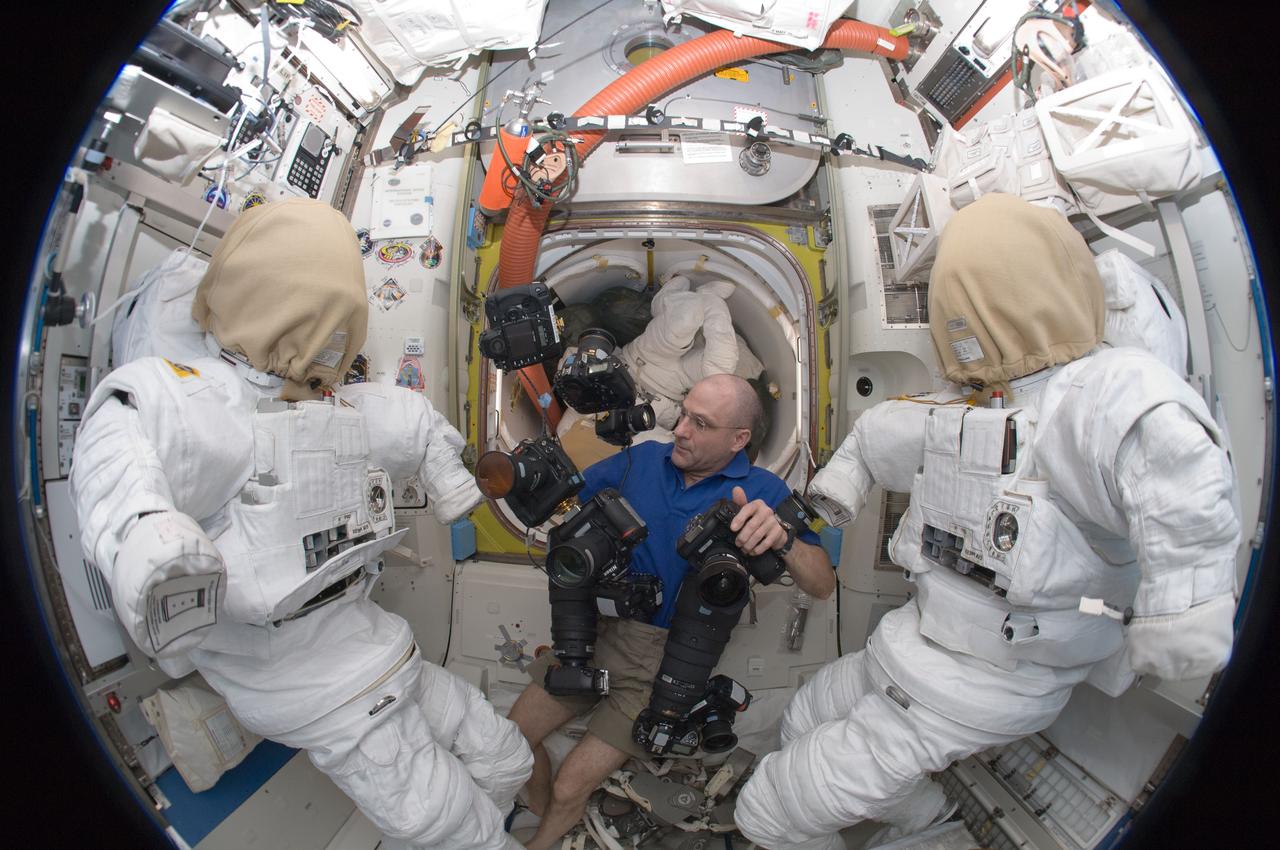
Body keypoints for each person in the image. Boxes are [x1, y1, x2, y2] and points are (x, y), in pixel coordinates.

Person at [734, 192, 1240, 850]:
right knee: (800, 718)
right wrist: (829, 498)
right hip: (912, 645)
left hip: (986, 682)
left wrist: (1182, 616)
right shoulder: (971, 410)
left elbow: (1177, 474)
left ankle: (897, 824)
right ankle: (926, 827)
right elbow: (879, 435)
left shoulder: (1098, 398)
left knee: (768, 814)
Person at [70, 198, 533, 850]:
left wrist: (454, 485)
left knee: (504, 754)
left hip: (374, 642)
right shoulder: (195, 404)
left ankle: (518, 821)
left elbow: (409, 422)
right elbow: (121, 458)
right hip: (322, 690)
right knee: (446, 821)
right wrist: (156, 549)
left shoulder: (333, 406)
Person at [508, 373, 835, 850]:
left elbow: (823, 583)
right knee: (511, 743)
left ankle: (544, 836)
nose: (681, 429)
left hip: (660, 661)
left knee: (570, 784)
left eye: (701, 424)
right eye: (683, 413)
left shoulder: (762, 491)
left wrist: (782, 538)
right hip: (589, 634)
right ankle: (537, 816)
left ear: (738, 440)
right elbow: (567, 498)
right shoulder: (641, 460)